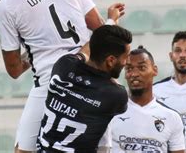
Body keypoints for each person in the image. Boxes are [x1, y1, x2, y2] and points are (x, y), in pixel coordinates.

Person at [0, 0, 110, 153]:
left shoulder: (6, 6)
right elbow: (99, 26)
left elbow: (13, 70)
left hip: (51, 84)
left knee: (24, 151)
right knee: (101, 148)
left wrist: (33, 52)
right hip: (90, 77)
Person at [38, 24, 133, 153]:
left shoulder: (63, 65)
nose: (127, 62)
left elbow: (84, 52)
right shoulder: (115, 95)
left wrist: (110, 23)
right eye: (126, 57)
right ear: (110, 60)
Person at [110, 46, 186, 153]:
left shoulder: (172, 118)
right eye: (129, 69)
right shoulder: (110, 114)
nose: (134, 74)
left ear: (154, 70)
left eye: (142, 68)